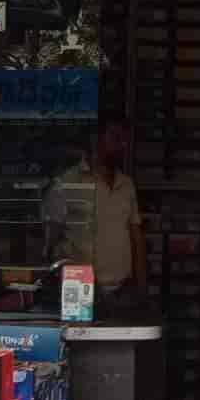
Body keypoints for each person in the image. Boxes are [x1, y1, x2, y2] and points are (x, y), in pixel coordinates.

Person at [45, 124, 144, 302]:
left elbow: (136, 238)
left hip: (122, 290)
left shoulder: (126, 184)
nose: (122, 145)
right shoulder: (66, 184)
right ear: (96, 139)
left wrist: (141, 287)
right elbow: (51, 243)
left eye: (124, 140)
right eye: (115, 138)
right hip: (78, 289)